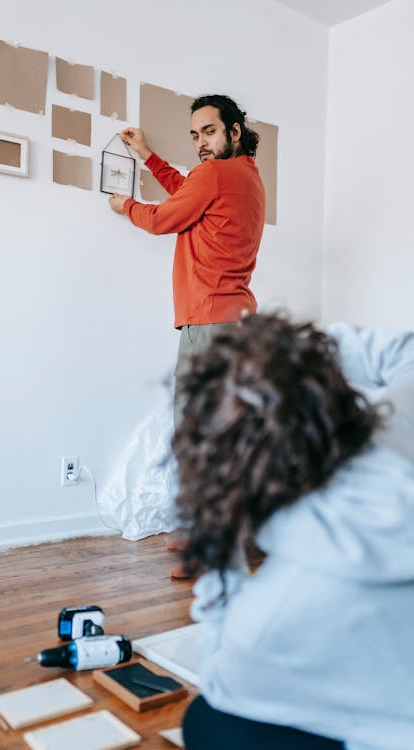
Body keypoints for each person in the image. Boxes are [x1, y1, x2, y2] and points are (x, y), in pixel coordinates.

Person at [171, 312, 414, 749]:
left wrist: (219, 552)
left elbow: (222, 681)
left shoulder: (268, 623)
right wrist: (295, 356)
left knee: (209, 723)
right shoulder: (403, 420)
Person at [108, 94, 265, 427]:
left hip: (210, 323)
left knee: (194, 430)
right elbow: (188, 193)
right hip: (240, 323)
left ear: (234, 132)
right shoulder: (248, 177)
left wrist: (128, 207)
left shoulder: (214, 174)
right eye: (195, 136)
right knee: (229, 429)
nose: (201, 143)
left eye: (209, 131)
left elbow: (162, 219)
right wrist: (148, 156)